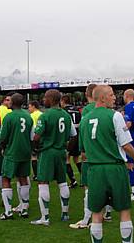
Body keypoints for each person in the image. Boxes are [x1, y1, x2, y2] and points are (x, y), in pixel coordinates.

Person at [80, 85, 134, 243]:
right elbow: (126, 144)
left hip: (94, 170)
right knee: (124, 211)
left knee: (96, 214)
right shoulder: (115, 116)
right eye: (110, 95)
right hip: (115, 169)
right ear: (101, 98)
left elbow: (83, 153)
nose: (114, 98)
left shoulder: (85, 120)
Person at [31, 89, 77, 226]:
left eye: (45, 98)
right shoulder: (66, 115)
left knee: (43, 182)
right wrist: (67, 149)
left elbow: (36, 136)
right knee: (62, 182)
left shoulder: (45, 116)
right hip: (61, 152)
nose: (43, 100)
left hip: (47, 152)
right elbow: (74, 135)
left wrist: (35, 147)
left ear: (51, 99)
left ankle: (45, 218)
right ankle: (65, 214)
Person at [69, 83, 101, 229]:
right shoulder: (107, 109)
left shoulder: (87, 110)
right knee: (103, 184)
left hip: (90, 151)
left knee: (89, 186)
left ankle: (86, 218)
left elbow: (84, 130)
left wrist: (82, 149)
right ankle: (105, 213)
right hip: (105, 152)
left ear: (87, 94)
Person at [0, 93, 33, 220]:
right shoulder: (28, 116)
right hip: (25, 152)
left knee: (6, 179)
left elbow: (2, 137)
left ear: (13, 103)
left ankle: (8, 212)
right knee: (23, 178)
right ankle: (24, 209)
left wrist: (3, 148)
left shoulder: (9, 117)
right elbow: (32, 137)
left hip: (12, 152)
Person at [61, 94, 82, 188]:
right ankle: (84, 178)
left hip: (70, 136)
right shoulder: (77, 109)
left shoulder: (64, 111)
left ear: (63, 101)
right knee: (77, 158)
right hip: (78, 134)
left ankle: (73, 181)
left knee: (66, 158)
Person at [28, 100, 43, 181]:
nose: (28, 109)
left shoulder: (32, 115)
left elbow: (32, 128)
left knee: (34, 156)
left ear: (34, 106)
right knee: (41, 156)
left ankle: (36, 175)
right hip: (42, 138)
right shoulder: (42, 114)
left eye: (29, 107)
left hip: (35, 138)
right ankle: (43, 172)